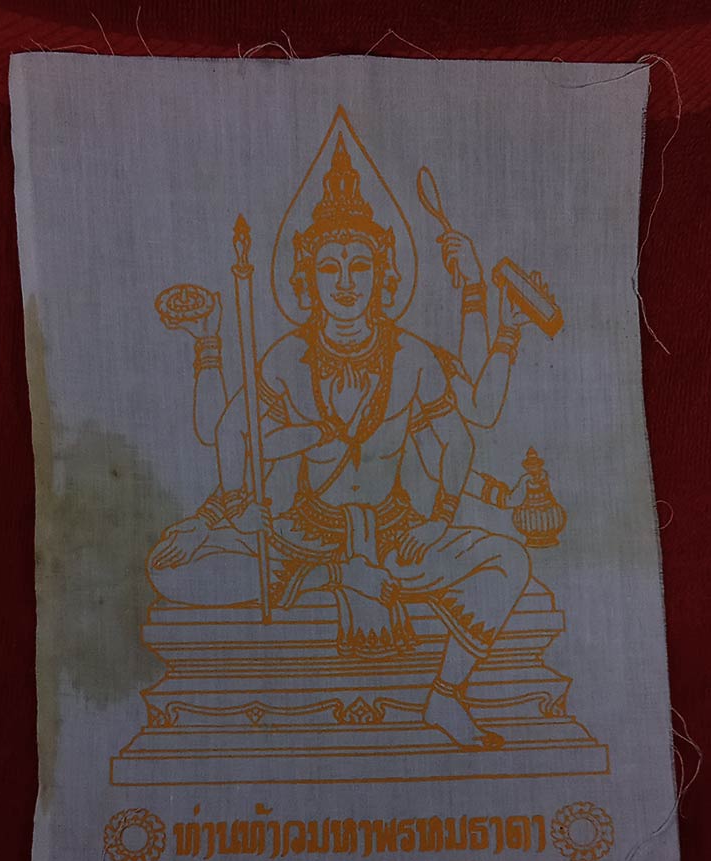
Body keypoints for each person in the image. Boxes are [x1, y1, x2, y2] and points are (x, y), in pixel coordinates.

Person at [148, 135, 533, 750]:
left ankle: (446, 694)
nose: (346, 282)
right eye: (330, 267)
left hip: (396, 535)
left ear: (384, 276)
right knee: (168, 571)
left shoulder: (412, 356)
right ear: (307, 279)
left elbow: (459, 441)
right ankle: (339, 577)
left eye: (361, 266)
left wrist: (439, 517)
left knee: (512, 561)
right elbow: (230, 430)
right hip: (304, 536)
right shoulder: (286, 358)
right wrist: (228, 510)